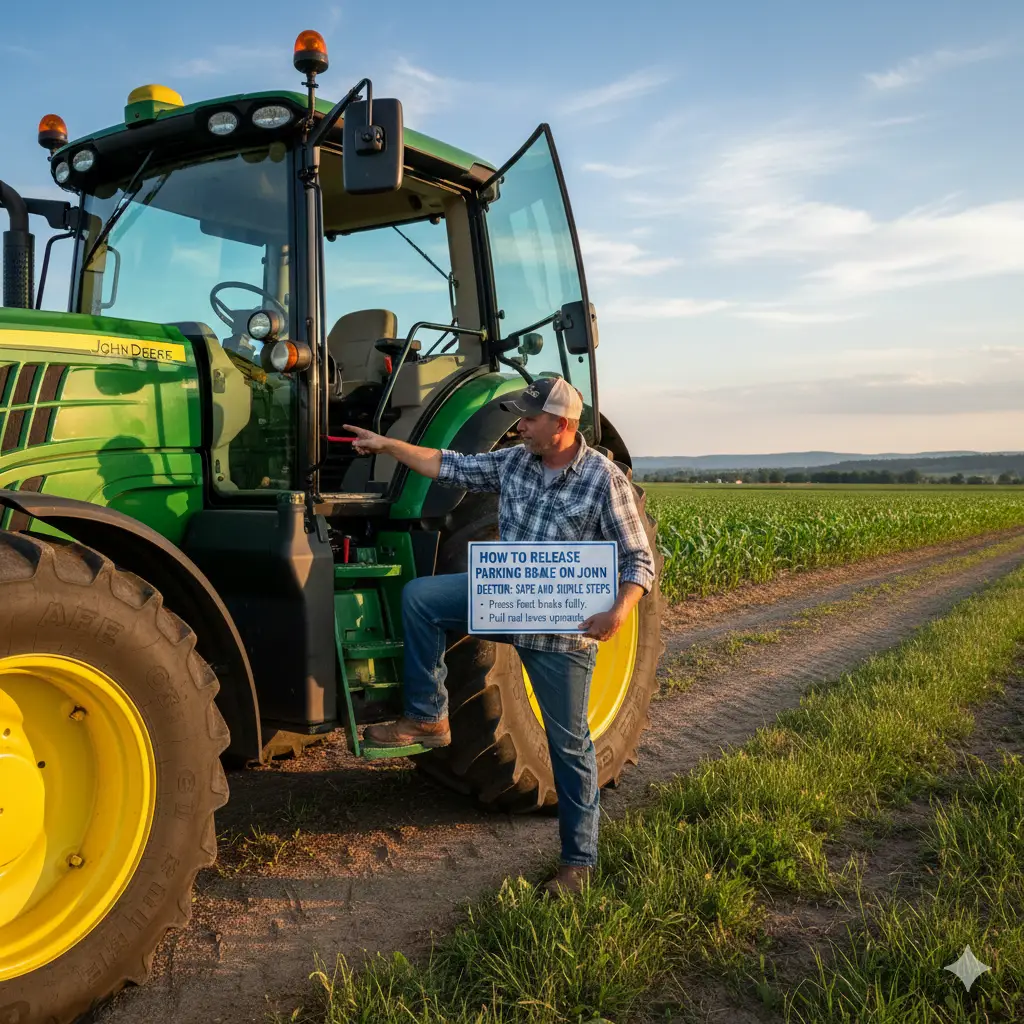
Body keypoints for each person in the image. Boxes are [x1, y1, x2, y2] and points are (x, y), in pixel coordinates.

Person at [344, 376, 655, 895]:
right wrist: (387, 445)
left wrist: (620, 610)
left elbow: (639, 559)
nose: (520, 426)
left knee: (569, 748)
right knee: (421, 598)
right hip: (506, 605)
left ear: (562, 424)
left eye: (530, 418)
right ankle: (428, 716)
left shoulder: (603, 480)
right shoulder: (514, 462)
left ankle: (577, 863)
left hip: (560, 635)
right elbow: (446, 464)